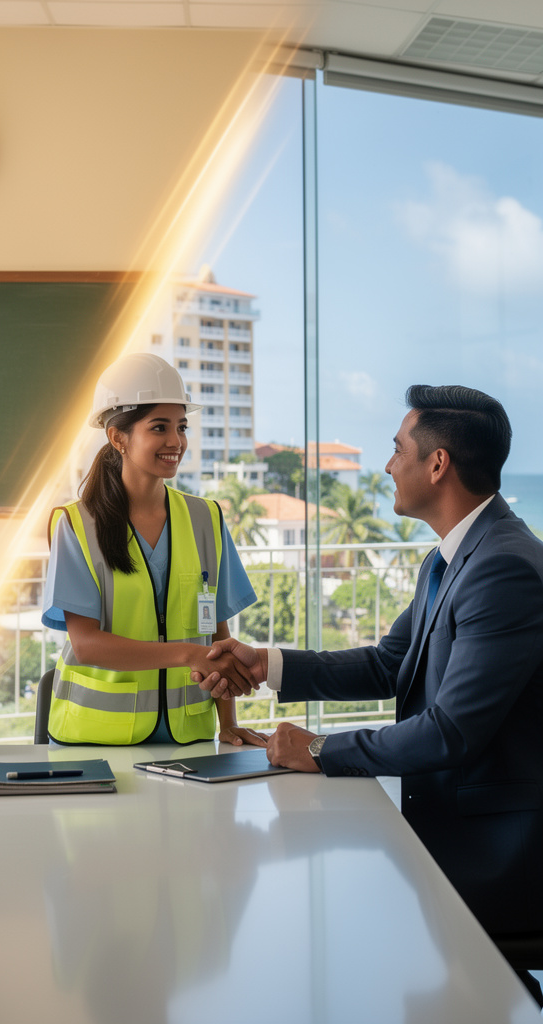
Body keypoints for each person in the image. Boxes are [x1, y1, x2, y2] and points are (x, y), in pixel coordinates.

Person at [204, 384, 543, 1003]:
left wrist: (321, 751)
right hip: (439, 822)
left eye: (397, 449)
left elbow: (450, 731)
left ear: (437, 464)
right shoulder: (451, 558)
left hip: (493, 854)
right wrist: (265, 663)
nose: (388, 465)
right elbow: (391, 665)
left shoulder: (504, 567)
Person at [41, 352, 265, 747]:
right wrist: (185, 654)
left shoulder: (205, 519)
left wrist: (227, 723)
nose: (175, 441)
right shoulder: (77, 526)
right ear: (118, 437)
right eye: (159, 427)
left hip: (189, 740)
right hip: (96, 741)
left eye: (181, 426)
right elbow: (86, 644)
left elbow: (216, 632)